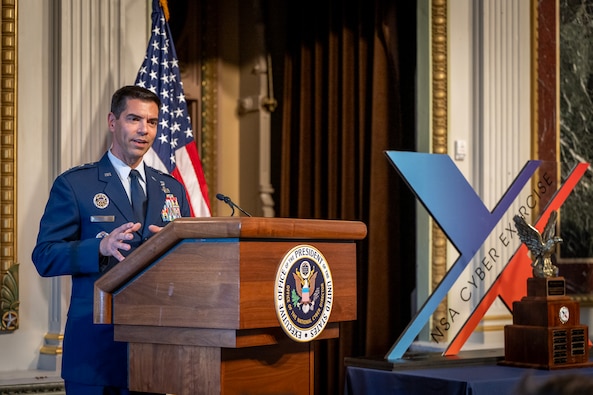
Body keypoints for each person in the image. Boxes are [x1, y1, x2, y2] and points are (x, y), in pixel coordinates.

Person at [32, 85, 191, 395]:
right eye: (134, 119)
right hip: (96, 354)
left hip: (155, 351)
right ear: (112, 122)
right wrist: (99, 248)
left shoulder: (172, 189)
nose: (144, 130)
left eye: (152, 122)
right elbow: (45, 255)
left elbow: (188, 263)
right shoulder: (76, 185)